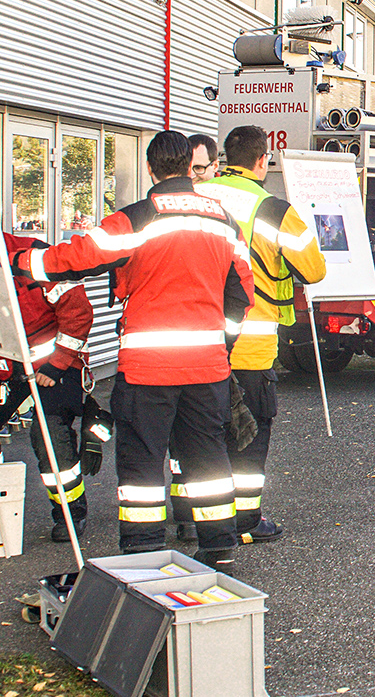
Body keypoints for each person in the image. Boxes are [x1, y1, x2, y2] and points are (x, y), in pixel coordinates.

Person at [15, 131, 253, 571]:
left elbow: (81, 255)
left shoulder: (137, 218)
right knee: (208, 458)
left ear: (149, 169)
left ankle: (143, 551)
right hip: (207, 368)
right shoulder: (223, 220)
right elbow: (241, 293)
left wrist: (25, 263)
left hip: (149, 369)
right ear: (189, 167)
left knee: (142, 461)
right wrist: (221, 343)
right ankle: (219, 546)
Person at [191, 126, 327, 545]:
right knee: (251, 433)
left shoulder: (196, 198)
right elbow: (315, 270)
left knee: (199, 433)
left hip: (196, 342)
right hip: (249, 345)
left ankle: (190, 516)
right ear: (262, 160)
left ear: (221, 160)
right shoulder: (273, 210)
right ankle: (245, 521)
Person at [1, 232, 95, 542]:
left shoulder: (37, 255)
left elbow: (78, 312)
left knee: (49, 433)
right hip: (8, 363)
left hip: (55, 361)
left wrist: (59, 362)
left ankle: (70, 512)